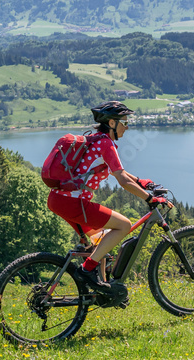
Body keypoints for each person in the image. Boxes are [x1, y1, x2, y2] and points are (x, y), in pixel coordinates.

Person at [46, 100, 171, 293]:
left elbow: (116, 171)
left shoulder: (96, 140)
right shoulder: (106, 144)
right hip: (73, 202)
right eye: (124, 122)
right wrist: (149, 198)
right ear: (112, 123)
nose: (127, 127)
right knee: (124, 225)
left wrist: (141, 181)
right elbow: (121, 179)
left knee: (101, 242)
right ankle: (86, 270)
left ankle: (102, 290)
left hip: (59, 199)